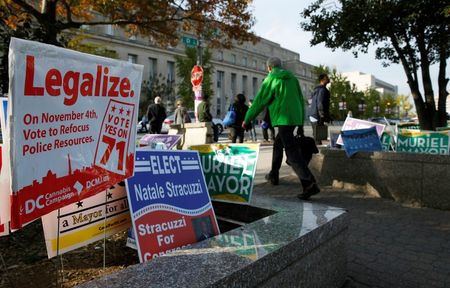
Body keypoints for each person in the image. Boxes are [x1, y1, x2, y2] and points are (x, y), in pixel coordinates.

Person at [242, 56, 320, 200]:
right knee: (278, 144)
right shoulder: (293, 78)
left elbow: (259, 101)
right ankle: (274, 174)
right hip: (294, 118)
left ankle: (309, 183)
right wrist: (301, 124)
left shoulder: (271, 79)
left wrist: (247, 119)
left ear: (269, 67)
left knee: (292, 154)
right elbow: (300, 100)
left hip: (283, 119)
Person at [308, 74, 331, 145]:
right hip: (317, 115)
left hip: (313, 114)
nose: (328, 79)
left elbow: (310, 101)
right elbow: (320, 102)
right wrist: (322, 115)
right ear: (322, 80)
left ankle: (316, 152)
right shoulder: (322, 90)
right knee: (318, 137)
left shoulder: (316, 89)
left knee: (317, 136)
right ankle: (317, 154)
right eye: (327, 78)